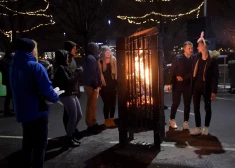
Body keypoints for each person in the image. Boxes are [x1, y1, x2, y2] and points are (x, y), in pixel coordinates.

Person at [9, 38, 59, 168]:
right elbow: (46, 89)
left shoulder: (13, 65)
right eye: (35, 48)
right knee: (40, 146)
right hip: (37, 111)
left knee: (27, 144)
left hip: (22, 111)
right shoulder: (35, 66)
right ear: (31, 50)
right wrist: (55, 96)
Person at [190, 33, 219, 136]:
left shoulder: (212, 60)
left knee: (207, 107)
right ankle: (198, 127)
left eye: (199, 45)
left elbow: (215, 76)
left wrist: (214, 90)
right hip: (196, 87)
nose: (197, 47)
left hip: (206, 87)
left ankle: (206, 127)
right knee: (196, 107)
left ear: (204, 46)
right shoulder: (196, 58)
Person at [53, 50, 83, 147]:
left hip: (71, 93)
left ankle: (71, 134)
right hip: (67, 95)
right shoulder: (61, 68)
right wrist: (78, 72)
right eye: (66, 57)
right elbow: (69, 81)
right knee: (73, 117)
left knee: (79, 115)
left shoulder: (64, 67)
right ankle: (69, 137)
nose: (68, 59)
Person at [166, 41, 194, 130]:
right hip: (177, 85)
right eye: (189, 48)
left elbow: (193, 72)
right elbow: (172, 71)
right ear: (184, 49)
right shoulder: (178, 58)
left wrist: (184, 77)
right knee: (176, 103)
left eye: (191, 48)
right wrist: (169, 83)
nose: (191, 50)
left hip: (188, 84)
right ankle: (172, 119)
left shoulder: (193, 59)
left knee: (187, 104)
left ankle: (186, 122)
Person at [62, 41, 81, 138]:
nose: (75, 50)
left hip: (73, 89)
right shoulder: (65, 61)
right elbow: (69, 78)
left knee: (76, 114)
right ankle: (69, 132)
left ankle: (72, 130)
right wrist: (78, 72)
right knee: (69, 113)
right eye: (74, 48)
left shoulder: (72, 60)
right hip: (68, 91)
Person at [83, 42, 102, 134]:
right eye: (96, 48)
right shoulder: (91, 59)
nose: (97, 49)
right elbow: (93, 73)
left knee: (92, 105)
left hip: (90, 84)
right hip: (91, 85)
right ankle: (90, 124)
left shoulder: (90, 58)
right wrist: (96, 84)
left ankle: (93, 122)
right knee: (91, 105)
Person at [98, 46, 117, 128]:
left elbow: (117, 72)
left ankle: (112, 119)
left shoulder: (114, 60)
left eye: (109, 51)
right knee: (107, 103)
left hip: (113, 84)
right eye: (107, 52)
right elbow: (99, 73)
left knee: (113, 104)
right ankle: (106, 120)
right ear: (103, 53)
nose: (109, 53)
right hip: (104, 85)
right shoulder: (100, 61)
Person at [0, 48, 15, 116]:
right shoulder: (5, 61)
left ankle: (9, 109)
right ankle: (7, 110)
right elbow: (4, 70)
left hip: (9, 79)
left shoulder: (8, 60)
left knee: (10, 95)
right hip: (9, 79)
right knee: (9, 95)